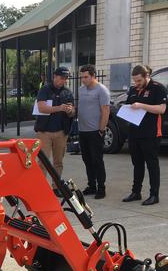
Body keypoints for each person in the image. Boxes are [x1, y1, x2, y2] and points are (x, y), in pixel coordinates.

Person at [122, 64, 167, 206]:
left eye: (139, 81)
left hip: (151, 133)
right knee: (137, 164)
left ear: (146, 76)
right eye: (135, 81)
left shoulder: (157, 88)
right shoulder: (133, 90)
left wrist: (141, 105)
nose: (137, 83)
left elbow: (161, 109)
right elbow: (129, 106)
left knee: (152, 164)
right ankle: (136, 192)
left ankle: (154, 195)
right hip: (134, 132)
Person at [35, 67, 75, 192]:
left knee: (58, 162)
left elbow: (72, 112)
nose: (64, 80)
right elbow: (41, 108)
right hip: (44, 132)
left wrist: (70, 110)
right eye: (62, 78)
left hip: (61, 132)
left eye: (66, 78)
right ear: (54, 76)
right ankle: (40, 189)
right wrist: (60, 108)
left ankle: (56, 187)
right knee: (43, 162)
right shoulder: (45, 89)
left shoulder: (67, 92)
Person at [77, 65, 111, 199]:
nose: (83, 80)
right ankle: (91, 185)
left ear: (93, 76)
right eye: (82, 77)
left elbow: (105, 111)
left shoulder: (101, 90)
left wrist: (101, 130)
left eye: (86, 77)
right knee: (87, 159)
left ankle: (101, 188)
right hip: (83, 130)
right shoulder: (81, 89)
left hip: (95, 131)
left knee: (97, 160)